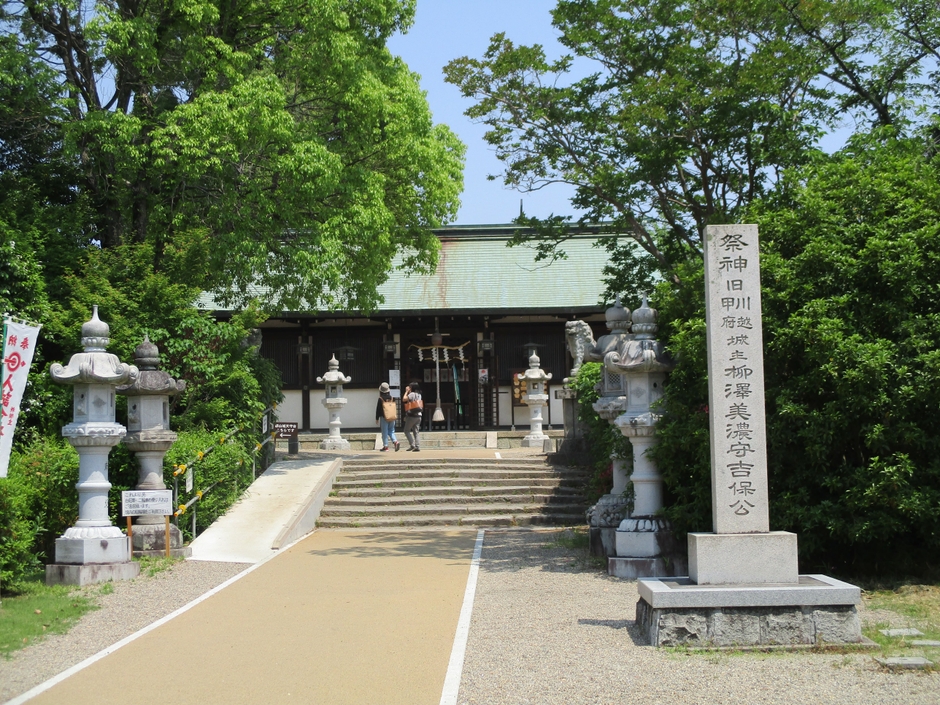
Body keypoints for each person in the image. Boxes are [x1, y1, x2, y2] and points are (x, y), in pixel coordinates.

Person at [375, 382, 400, 452]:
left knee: (384, 432)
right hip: (392, 417)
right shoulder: (392, 398)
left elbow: (378, 409)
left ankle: (385, 446)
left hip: (384, 417)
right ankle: (395, 441)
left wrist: (377, 418)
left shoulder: (380, 399)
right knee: (391, 430)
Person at [402, 381, 423, 451]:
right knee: (416, 432)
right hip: (419, 415)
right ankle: (417, 446)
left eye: (410, 387)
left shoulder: (412, 394)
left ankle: (412, 444)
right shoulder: (419, 394)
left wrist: (406, 392)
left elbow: (404, 399)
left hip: (412, 415)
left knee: (406, 430)